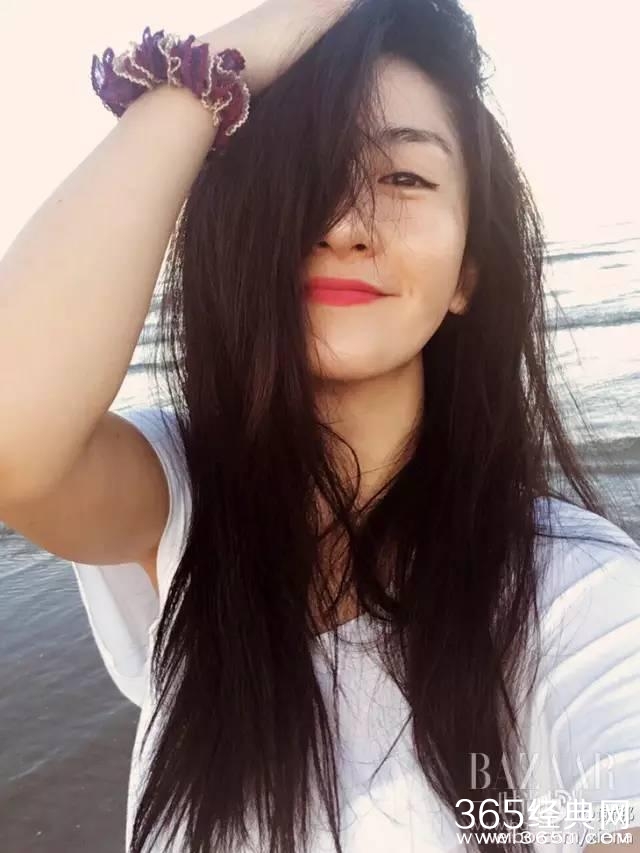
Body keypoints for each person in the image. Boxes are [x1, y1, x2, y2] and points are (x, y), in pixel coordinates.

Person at [0, 0, 638, 851]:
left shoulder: (577, 594)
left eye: (404, 178)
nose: (342, 224)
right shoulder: (181, 503)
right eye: (301, 175)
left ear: (466, 273)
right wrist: (224, 63)